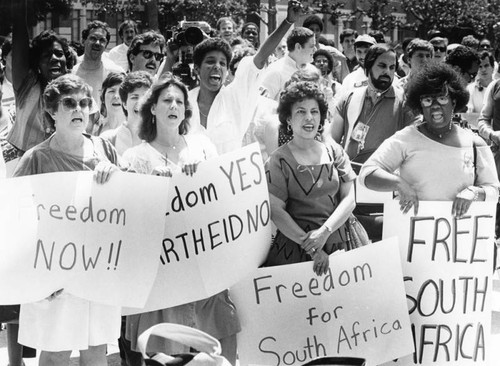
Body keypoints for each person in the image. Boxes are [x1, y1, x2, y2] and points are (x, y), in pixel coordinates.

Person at [13, 74, 122, 366]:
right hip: (55, 270)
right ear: (51, 111)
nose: (78, 109)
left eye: (84, 103)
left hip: (98, 266)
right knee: (56, 352)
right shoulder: (36, 158)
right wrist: (39, 278)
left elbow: (124, 209)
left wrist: (116, 176)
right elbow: (17, 219)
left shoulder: (106, 150)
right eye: (69, 103)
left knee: (97, 348)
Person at [122, 75, 217, 366]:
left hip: (200, 262)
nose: (174, 105)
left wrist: (201, 175)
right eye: (166, 100)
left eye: (179, 101)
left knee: (203, 350)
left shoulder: (202, 147)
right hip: (159, 269)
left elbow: (221, 198)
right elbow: (126, 214)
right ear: (152, 108)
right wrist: (150, 187)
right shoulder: (134, 157)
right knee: (160, 351)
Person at [359, 62, 499, 218]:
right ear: (420, 105)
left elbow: (494, 190)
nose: (435, 106)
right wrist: (398, 184)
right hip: (414, 234)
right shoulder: (406, 139)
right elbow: (367, 174)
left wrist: (474, 193)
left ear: (454, 101)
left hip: (459, 237)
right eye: (427, 100)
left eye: (442, 98)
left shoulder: (474, 144)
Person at [188, 0, 306, 155]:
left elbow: (260, 58)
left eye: (223, 63)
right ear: (197, 68)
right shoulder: (184, 101)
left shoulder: (236, 96)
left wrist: (288, 21)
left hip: (228, 177)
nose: (217, 67)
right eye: (210, 62)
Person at [264, 81, 356, 275]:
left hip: (341, 241)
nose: (309, 118)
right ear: (288, 118)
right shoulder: (278, 160)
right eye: (300, 112)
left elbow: (350, 198)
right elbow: (276, 211)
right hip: (296, 248)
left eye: (314, 111)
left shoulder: (334, 151)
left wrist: (325, 232)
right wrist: (313, 247)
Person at [330, 43, 412, 241]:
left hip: (383, 190)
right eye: (382, 66)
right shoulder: (350, 97)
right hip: (349, 186)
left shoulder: (404, 103)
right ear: (368, 67)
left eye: (392, 68)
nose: (388, 72)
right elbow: (332, 142)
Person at [7, 0, 74, 153]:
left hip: (65, 165)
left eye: (59, 54)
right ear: (36, 63)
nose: (54, 58)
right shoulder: (27, 85)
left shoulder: (78, 90)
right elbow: (19, 31)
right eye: (46, 55)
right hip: (28, 164)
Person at [72, 21, 124, 111]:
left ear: (106, 45)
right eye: (93, 38)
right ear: (83, 41)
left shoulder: (115, 73)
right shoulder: (72, 74)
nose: (97, 43)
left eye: (102, 40)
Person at [101, 71, 153, 155]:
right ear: (124, 103)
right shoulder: (107, 139)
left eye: (145, 97)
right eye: (134, 97)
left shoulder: (160, 140)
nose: (140, 102)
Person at [260, 27, 318, 101]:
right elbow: (263, 103)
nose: (315, 49)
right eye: (312, 46)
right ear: (298, 47)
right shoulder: (275, 71)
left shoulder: (313, 71)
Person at [90, 72, 126, 136]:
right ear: (103, 97)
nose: (116, 96)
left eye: (121, 92)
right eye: (111, 91)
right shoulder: (94, 130)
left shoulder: (135, 130)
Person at [466, 51, 494, 122]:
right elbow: (469, 113)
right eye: (480, 67)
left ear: (493, 67)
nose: (483, 69)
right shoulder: (470, 89)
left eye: (486, 65)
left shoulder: (498, 87)